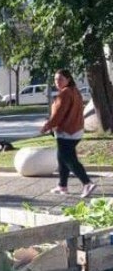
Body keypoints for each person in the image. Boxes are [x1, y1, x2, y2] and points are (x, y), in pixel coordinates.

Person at [41, 69, 95, 198]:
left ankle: (87, 183)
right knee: (62, 158)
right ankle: (62, 185)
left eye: (60, 79)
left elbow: (59, 114)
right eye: (55, 79)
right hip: (76, 130)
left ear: (68, 79)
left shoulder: (64, 93)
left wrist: (47, 126)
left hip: (67, 131)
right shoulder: (75, 91)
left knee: (68, 159)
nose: (57, 82)